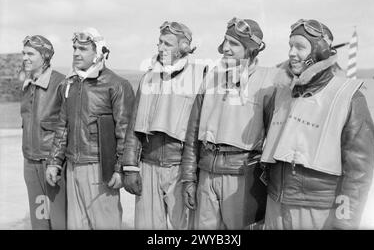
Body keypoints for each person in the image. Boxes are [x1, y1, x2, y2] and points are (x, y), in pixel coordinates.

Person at [261, 19, 374, 230]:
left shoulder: (349, 97)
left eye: (300, 47)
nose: (291, 53)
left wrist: (345, 222)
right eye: (290, 46)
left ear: (320, 52)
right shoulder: (281, 95)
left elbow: (358, 173)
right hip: (275, 207)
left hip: (318, 212)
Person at [181, 17, 288, 230]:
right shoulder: (212, 77)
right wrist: (188, 177)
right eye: (226, 41)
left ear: (250, 50)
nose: (226, 49)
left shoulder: (267, 84)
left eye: (234, 44)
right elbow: (193, 132)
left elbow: (274, 141)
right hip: (206, 174)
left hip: (241, 178)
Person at [45, 27, 135, 230]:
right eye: (74, 48)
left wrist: (120, 169)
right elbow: (63, 127)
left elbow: (126, 133)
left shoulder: (117, 85)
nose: (76, 53)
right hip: (73, 167)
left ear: (99, 52)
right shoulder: (69, 85)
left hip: (100, 169)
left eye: (83, 49)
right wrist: (54, 162)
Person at [122, 21, 206, 229]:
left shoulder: (200, 78)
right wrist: (131, 167)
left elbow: (199, 131)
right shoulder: (148, 78)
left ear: (184, 47)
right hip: (148, 165)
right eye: (159, 42)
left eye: (167, 44)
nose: (160, 48)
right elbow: (134, 126)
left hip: (179, 168)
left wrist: (192, 177)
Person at [20, 35, 67, 230]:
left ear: (45, 56)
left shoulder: (61, 83)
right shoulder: (27, 84)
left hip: (51, 163)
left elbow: (66, 127)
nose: (25, 57)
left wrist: (55, 163)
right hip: (30, 162)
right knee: (39, 221)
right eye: (24, 53)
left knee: (59, 222)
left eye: (30, 53)